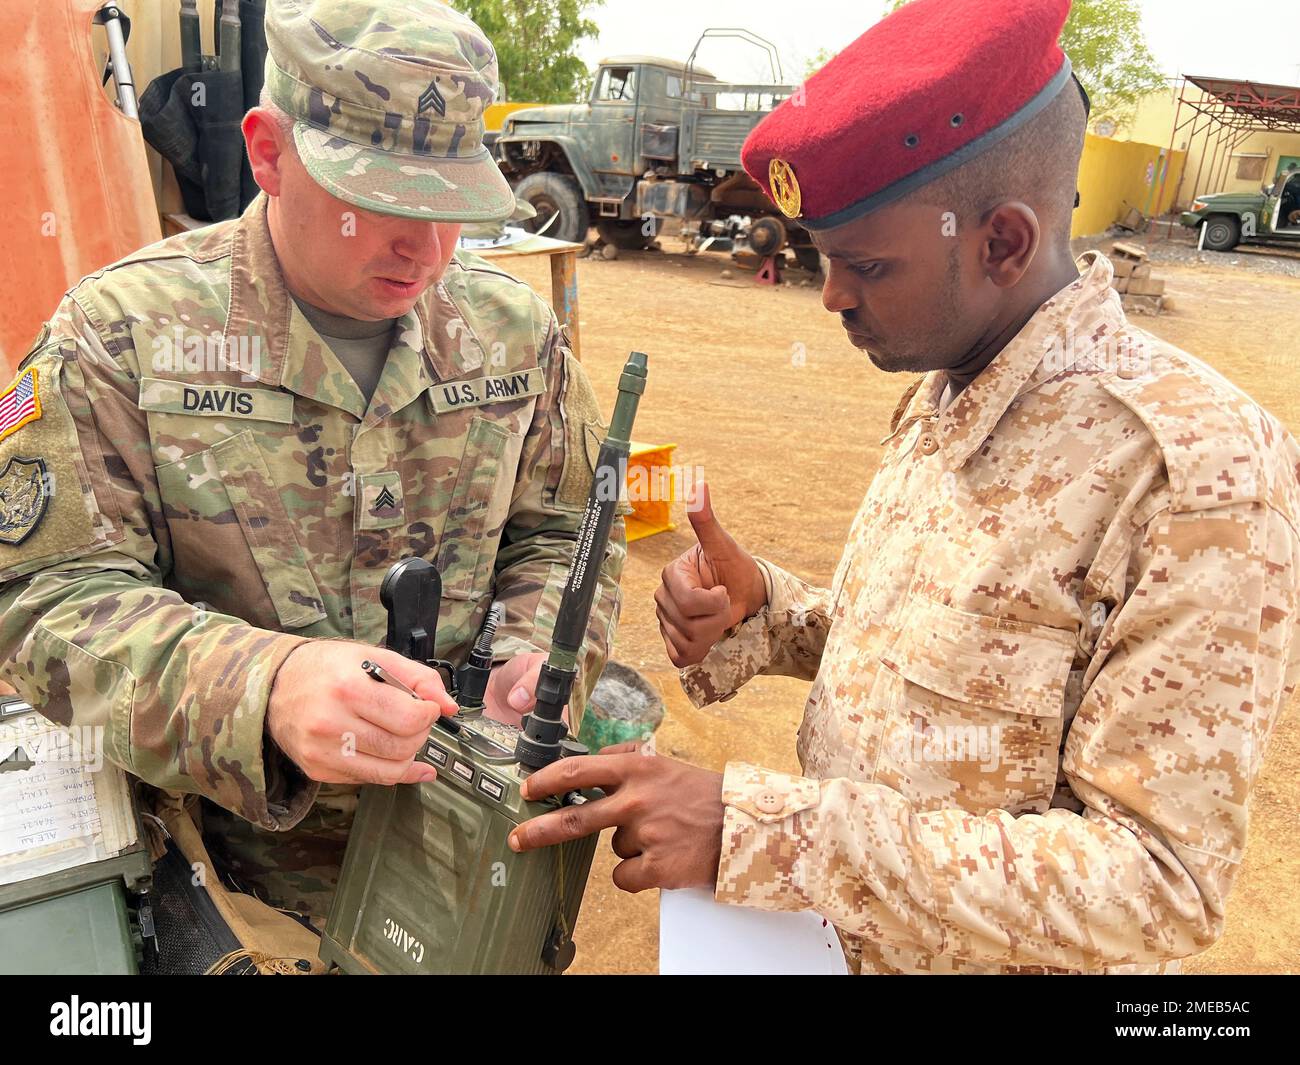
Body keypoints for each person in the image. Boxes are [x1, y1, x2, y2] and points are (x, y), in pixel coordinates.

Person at [511, 0, 1300, 974]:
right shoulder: (949, 382)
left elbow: (1156, 885)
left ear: (1002, 243)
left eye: (866, 266)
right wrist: (771, 612)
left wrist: (762, 831)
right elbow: (946, 669)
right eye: (822, 261)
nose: (832, 296)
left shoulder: (1190, 469)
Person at [0, 0, 622, 921]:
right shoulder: (118, 336)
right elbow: (45, 598)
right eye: (382, 202)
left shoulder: (512, 334)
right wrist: (262, 687)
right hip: (227, 890)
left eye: (451, 206)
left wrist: (533, 646)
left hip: (461, 885)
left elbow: (567, 531)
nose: (429, 248)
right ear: (268, 153)